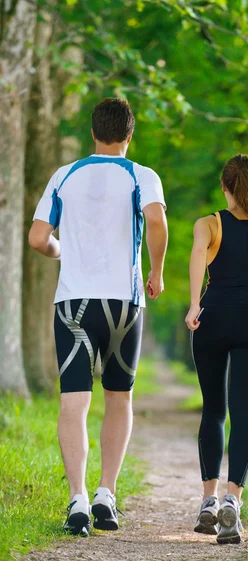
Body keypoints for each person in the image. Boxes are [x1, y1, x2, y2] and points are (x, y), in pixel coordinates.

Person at [29, 98, 168, 536]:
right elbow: (157, 224)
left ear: (93, 133)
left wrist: (60, 250)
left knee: (73, 401)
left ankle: (78, 500)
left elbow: (37, 238)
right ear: (130, 135)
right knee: (118, 397)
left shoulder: (64, 175)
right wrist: (156, 272)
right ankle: (107, 493)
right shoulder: (142, 175)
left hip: (73, 304)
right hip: (123, 303)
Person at [185, 153, 248, 544]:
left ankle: (208, 501)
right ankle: (232, 501)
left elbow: (197, 257)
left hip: (213, 318)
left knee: (214, 409)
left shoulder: (208, 225)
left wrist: (196, 305)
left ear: (225, 187)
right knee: (243, 410)